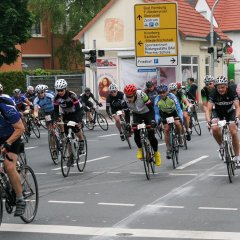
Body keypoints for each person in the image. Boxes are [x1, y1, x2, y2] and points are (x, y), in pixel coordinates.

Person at [123, 84, 161, 166]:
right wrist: (127, 124)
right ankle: (140, 149)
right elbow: (126, 113)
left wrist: (153, 121)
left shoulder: (142, 95)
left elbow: (151, 109)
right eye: (127, 96)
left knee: (151, 136)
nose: (128, 99)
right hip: (137, 114)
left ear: (135, 94)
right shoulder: (124, 98)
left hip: (147, 113)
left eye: (130, 97)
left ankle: (156, 153)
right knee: (136, 132)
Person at [205, 76, 240, 165]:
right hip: (218, 113)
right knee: (215, 129)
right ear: (216, 87)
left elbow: (237, 107)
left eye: (222, 87)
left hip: (230, 113)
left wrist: (237, 117)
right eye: (218, 87)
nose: (220, 89)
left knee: (233, 132)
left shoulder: (232, 92)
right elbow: (208, 109)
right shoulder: (213, 93)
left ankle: (237, 157)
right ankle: (221, 146)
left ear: (226, 86)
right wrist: (208, 121)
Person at [0, 96, 26, 216]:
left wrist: (8, 143)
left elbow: (20, 128)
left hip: (13, 136)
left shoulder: (6, 108)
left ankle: (20, 198)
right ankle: (5, 186)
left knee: (9, 166)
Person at [53, 79, 84, 166]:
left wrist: (79, 121)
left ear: (65, 89)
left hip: (76, 112)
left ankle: (81, 141)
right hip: (66, 114)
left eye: (61, 90)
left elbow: (78, 109)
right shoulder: (56, 98)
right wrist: (55, 120)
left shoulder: (72, 95)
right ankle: (71, 157)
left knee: (75, 127)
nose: (60, 92)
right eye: (58, 90)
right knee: (68, 137)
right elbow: (55, 111)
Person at [154, 84, 183, 159]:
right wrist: (158, 121)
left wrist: (180, 117)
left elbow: (179, 108)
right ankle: (168, 148)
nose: (162, 94)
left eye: (164, 92)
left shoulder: (172, 96)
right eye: (160, 93)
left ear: (167, 92)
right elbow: (156, 113)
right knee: (166, 129)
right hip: (164, 114)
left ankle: (180, 136)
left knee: (177, 123)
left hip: (174, 112)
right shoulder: (157, 99)